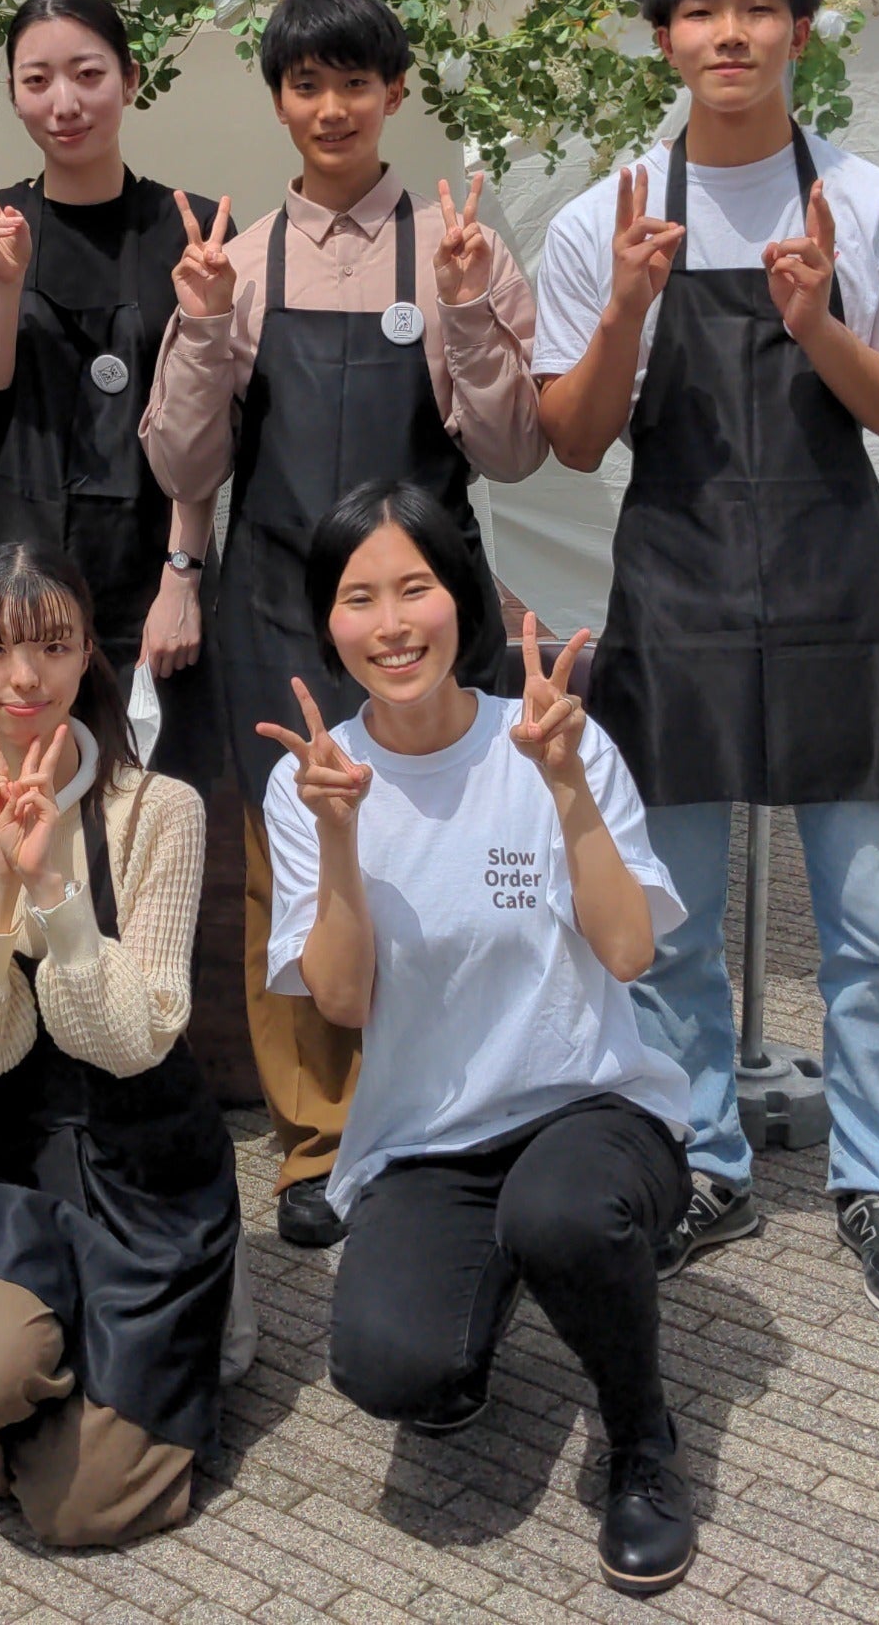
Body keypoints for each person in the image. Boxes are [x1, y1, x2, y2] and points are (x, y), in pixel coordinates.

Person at [533, 0, 879, 1320]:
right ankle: (701, 1159)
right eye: (702, 10)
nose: (731, 34)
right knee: (667, 923)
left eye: (758, 8)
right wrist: (625, 309)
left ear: (801, 28)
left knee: (878, 923)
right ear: (662, 37)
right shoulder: (606, 215)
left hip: (838, 586)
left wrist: (819, 324)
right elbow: (574, 439)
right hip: (677, 585)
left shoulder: (875, 207)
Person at [141, 0, 545, 1247]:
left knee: (452, 857)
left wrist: (467, 309)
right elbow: (181, 462)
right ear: (278, 100)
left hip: (429, 608)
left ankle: (450, 1120)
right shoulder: (240, 258)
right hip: (278, 604)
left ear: (395, 93)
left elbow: (514, 449)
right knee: (297, 869)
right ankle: (315, 1143)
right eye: (306, 85)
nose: (332, 108)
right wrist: (202, 327)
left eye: (356, 83)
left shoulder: (459, 246)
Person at [258, 481, 695, 1597]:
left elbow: (629, 951)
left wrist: (566, 788)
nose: (393, 624)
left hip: (587, 1104)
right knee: (391, 1370)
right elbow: (342, 1003)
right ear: (328, 624)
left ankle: (641, 1438)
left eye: (416, 588)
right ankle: (489, 1290)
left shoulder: (550, 738)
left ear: (462, 597)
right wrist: (340, 835)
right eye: (360, 598)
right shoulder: (312, 780)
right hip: (427, 1140)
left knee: (563, 1215)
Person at [0, 544, 239, 1549]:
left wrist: (55, 889)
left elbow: (132, 1042)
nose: (25, 676)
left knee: (80, 1513)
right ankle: (47, 1368)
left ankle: (162, 1331)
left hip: (151, 1164)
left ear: (89, 652)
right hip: (13, 1161)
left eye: (52, 645)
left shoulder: (160, 811)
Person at [0, 0, 221, 766]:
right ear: (13, 93)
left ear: (130, 79)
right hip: (13, 562)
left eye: (88, 75)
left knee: (158, 796)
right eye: (37, 80)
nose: (64, 103)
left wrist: (183, 576)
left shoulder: (187, 228)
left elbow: (210, 424)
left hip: (152, 562)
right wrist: (4, 283)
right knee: (18, 790)